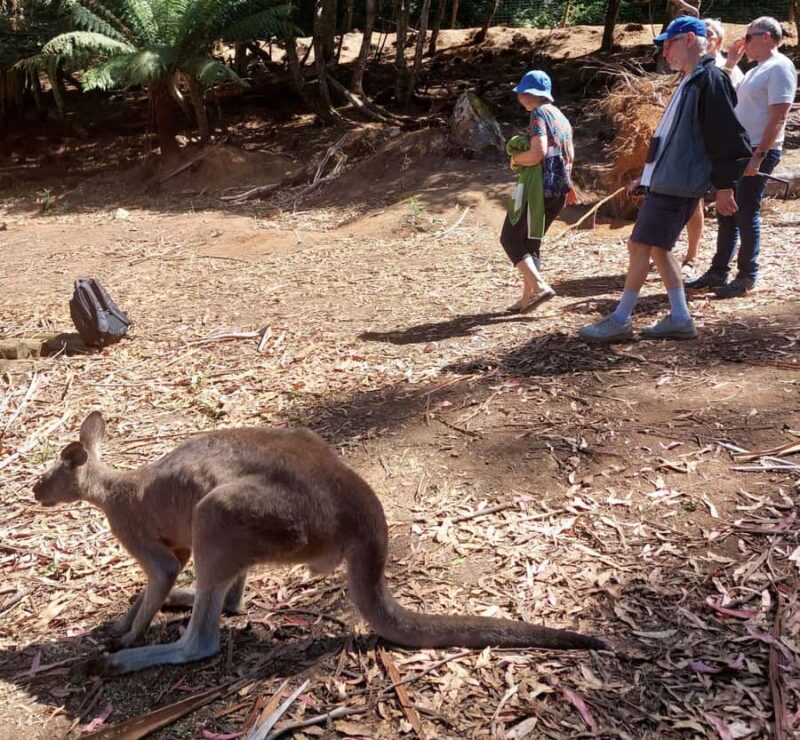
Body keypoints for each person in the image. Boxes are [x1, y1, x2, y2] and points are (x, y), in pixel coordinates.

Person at [579, 17, 751, 344]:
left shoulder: (710, 80)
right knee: (658, 249)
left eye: (668, 44)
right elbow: (669, 140)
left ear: (688, 38)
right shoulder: (690, 80)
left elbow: (727, 136)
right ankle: (680, 318)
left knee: (640, 245)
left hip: (678, 185)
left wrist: (726, 185)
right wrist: (647, 180)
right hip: (668, 182)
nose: (665, 53)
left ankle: (620, 319)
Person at [687, 16, 797, 298]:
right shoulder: (756, 69)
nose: (743, 42)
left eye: (749, 37)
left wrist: (758, 157)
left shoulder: (780, 67)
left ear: (767, 38)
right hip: (742, 150)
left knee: (747, 211)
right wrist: (733, 61)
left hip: (759, 150)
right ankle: (718, 271)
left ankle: (746, 275)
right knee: (727, 211)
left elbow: (779, 116)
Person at [500, 70, 574, 313]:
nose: (520, 98)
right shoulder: (561, 117)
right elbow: (570, 156)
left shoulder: (538, 114)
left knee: (510, 238)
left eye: (522, 93)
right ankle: (527, 298)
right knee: (531, 242)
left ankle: (540, 286)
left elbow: (537, 153)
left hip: (539, 189)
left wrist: (515, 159)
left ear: (532, 95)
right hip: (559, 191)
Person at [680, 18, 745, 278]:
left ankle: (695, 258)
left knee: (701, 201)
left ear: (717, 40)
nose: (702, 37)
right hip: (693, 147)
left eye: (708, 33)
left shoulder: (725, 70)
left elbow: (725, 113)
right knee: (687, 199)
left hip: (714, 149)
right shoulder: (693, 68)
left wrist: (729, 66)